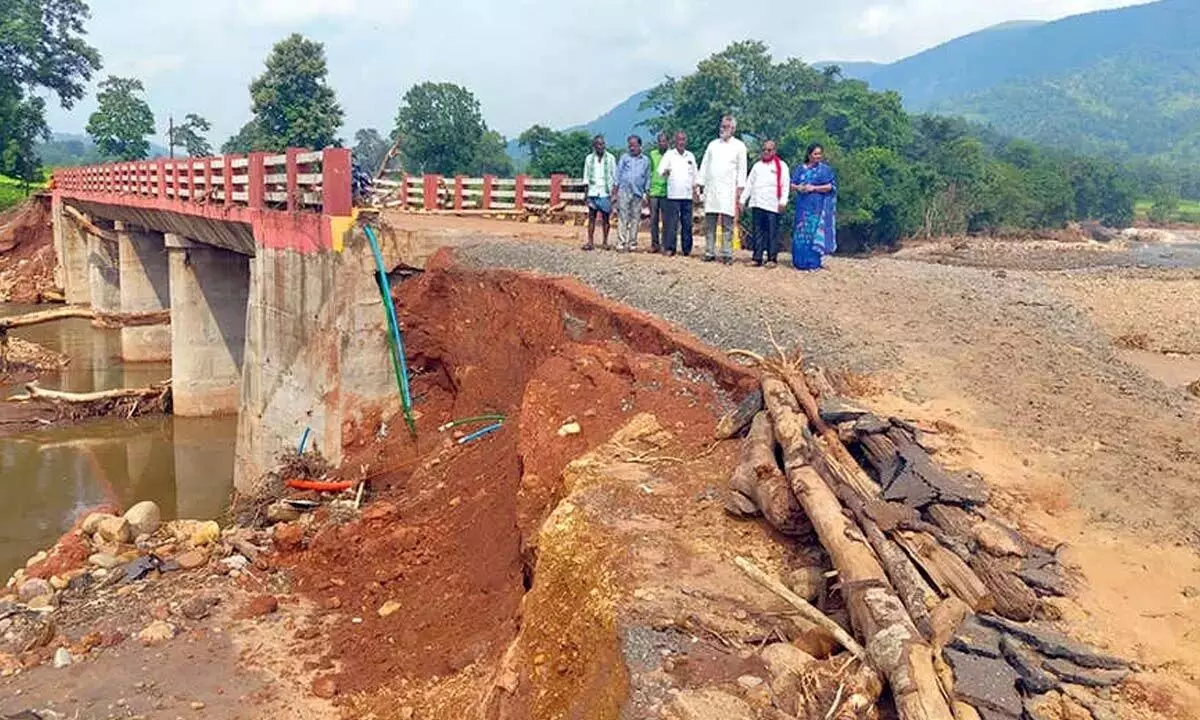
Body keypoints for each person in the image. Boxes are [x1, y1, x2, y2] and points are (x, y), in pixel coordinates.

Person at [698, 115, 748, 265]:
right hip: (712, 188)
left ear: (733, 129)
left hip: (728, 190)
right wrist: (700, 183)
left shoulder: (739, 146)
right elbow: (705, 164)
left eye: (726, 127)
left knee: (727, 223)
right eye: (721, 126)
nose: (722, 129)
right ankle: (709, 251)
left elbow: (742, 169)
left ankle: (727, 253)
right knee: (710, 222)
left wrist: (740, 189)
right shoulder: (713, 144)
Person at [739, 139, 789, 268]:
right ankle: (757, 258)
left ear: (774, 151)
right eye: (764, 150)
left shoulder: (782, 166)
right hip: (757, 203)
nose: (766, 152)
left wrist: (783, 201)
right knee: (757, 232)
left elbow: (785, 184)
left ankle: (772, 258)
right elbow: (749, 184)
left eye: (769, 150)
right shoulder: (757, 166)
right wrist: (742, 200)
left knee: (772, 232)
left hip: (773, 204)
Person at [790, 143, 837, 270]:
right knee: (801, 232)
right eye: (815, 154)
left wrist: (814, 188)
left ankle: (813, 262)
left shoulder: (825, 170)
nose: (818, 156)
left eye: (820, 154)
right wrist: (799, 187)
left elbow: (830, 186)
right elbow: (791, 184)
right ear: (809, 155)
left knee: (813, 233)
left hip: (817, 207)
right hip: (802, 206)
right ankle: (799, 262)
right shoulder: (800, 169)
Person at [657, 131, 698, 257]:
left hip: (687, 195)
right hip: (673, 194)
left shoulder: (690, 156)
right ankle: (670, 248)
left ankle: (687, 249)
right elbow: (660, 171)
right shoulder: (669, 155)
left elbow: (695, 176)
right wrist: (666, 172)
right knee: (671, 223)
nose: (681, 142)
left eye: (683, 139)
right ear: (675, 141)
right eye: (679, 140)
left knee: (687, 223)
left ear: (686, 141)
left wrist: (696, 192)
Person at [614, 134, 651, 252]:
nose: (632, 148)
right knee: (623, 217)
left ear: (640, 146)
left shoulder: (645, 160)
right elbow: (618, 174)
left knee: (635, 218)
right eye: (630, 145)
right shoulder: (624, 158)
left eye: (634, 145)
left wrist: (646, 192)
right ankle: (621, 242)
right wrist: (615, 190)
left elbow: (647, 177)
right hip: (624, 190)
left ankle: (633, 243)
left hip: (638, 192)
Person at [582, 135, 617, 251]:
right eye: (598, 144)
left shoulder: (611, 158)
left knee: (606, 218)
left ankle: (605, 242)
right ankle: (590, 242)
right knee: (591, 217)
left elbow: (615, 176)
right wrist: (586, 194)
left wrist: (614, 194)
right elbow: (586, 176)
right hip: (593, 191)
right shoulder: (589, 159)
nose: (601, 146)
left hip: (605, 192)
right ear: (594, 146)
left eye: (602, 144)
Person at [647, 132, 670, 253]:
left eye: (664, 141)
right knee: (654, 219)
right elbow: (649, 172)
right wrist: (647, 189)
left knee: (666, 219)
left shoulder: (672, 155)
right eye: (660, 141)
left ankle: (665, 245)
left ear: (668, 142)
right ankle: (654, 244)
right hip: (654, 191)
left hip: (667, 191)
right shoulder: (652, 154)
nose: (662, 143)